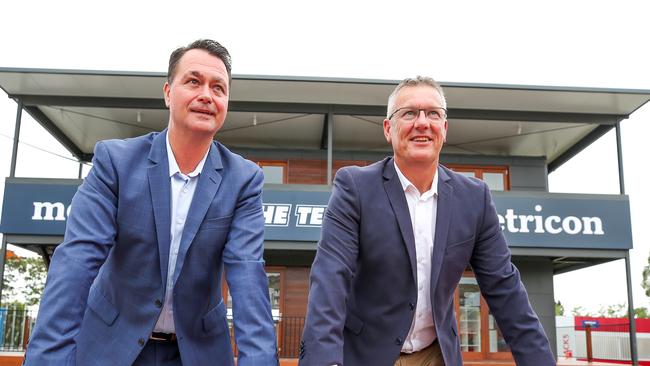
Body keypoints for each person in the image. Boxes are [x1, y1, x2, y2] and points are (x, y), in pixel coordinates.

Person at [23, 39, 278, 366]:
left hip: (197, 351)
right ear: (168, 93)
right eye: (193, 81)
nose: (206, 95)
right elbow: (76, 261)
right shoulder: (115, 163)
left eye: (219, 88)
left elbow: (247, 277)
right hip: (111, 344)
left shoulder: (244, 180)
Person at [299, 76, 555, 366]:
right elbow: (330, 279)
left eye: (433, 113)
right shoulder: (354, 187)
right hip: (364, 354)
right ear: (388, 129)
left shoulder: (475, 198)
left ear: (444, 129)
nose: (422, 122)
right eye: (409, 113)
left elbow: (505, 289)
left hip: (435, 355)